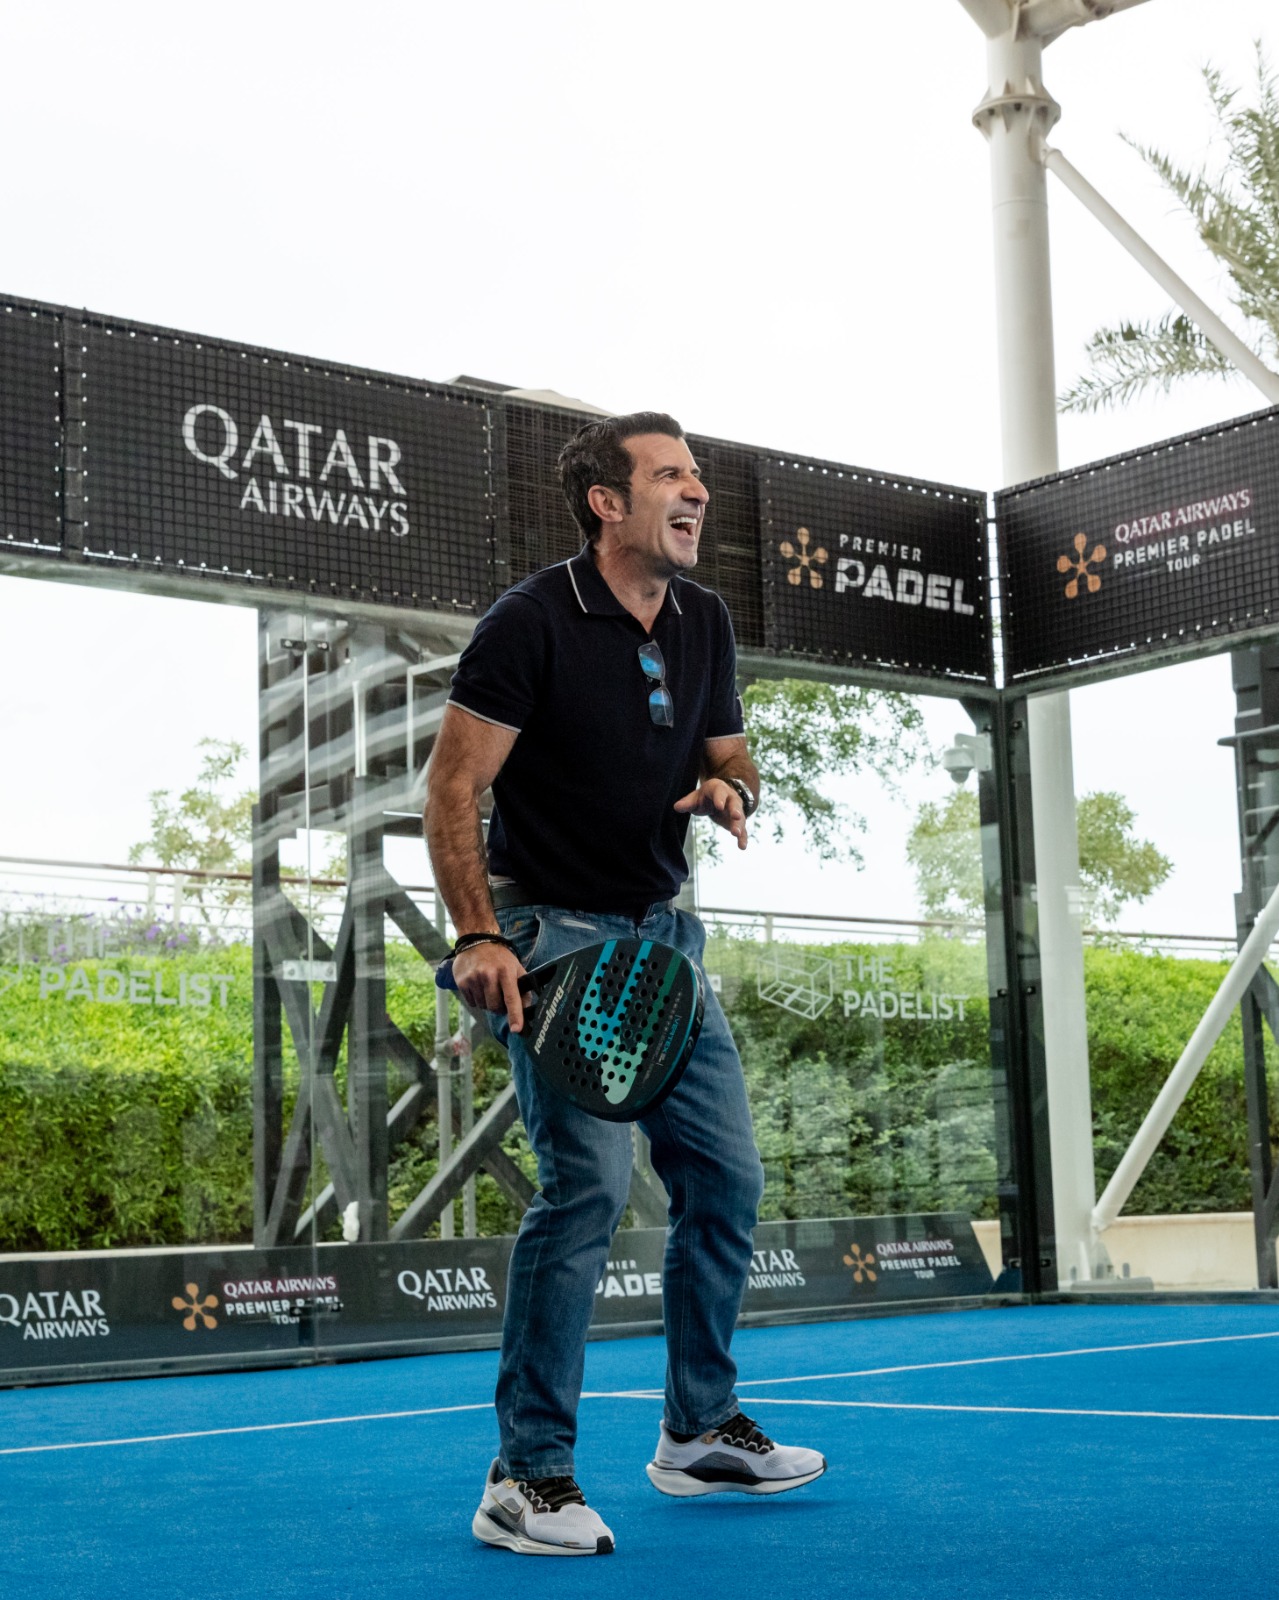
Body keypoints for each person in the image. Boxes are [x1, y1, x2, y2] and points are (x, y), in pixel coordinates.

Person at [424, 411, 826, 1557]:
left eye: (696, 475)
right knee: (585, 1190)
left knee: (727, 1178)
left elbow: (728, 752)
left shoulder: (703, 619)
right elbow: (453, 791)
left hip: (665, 941)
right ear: (606, 501)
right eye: (669, 475)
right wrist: (477, 936)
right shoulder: (529, 622)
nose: (694, 491)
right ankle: (525, 1474)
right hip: (552, 939)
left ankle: (698, 1431)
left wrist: (733, 791)